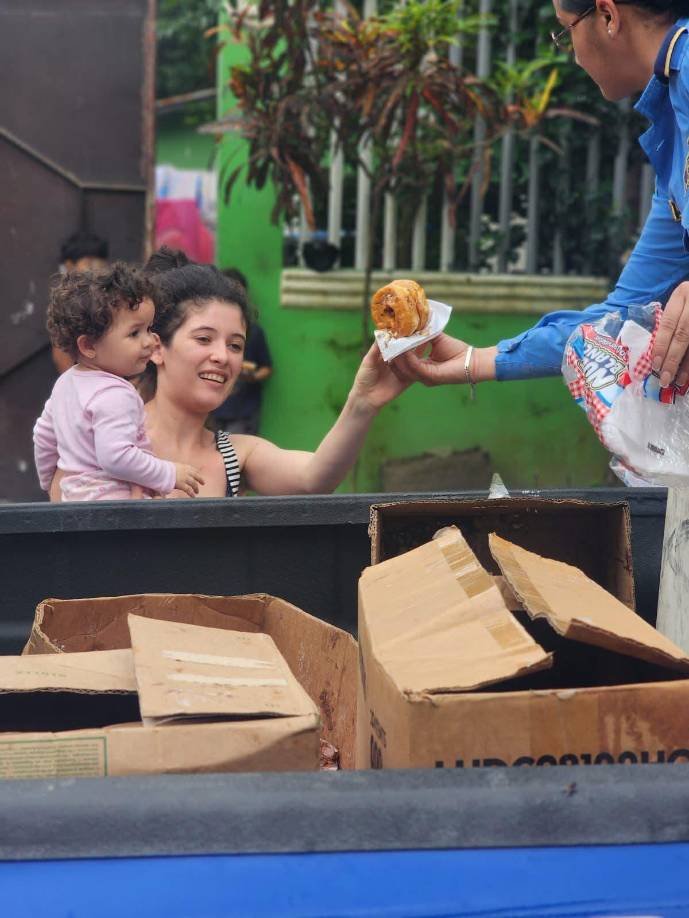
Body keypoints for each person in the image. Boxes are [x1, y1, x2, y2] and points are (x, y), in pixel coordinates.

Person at [392, 0, 689, 396]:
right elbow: (619, 316)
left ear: (608, 16)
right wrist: (477, 360)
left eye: (566, 32)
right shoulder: (672, 135)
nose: (575, 57)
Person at [104, 246, 406, 500]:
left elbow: (314, 478)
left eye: (235, 345)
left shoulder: (236, 456)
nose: (223, 356)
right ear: (157, 348)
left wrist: (362, 403)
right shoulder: (106, 442)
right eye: (204, 339)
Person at [35, 264, 203, 502]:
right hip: (113, 508)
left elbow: (43, 436)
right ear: (89, 346)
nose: (149, 341)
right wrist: (169, 472)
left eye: (148, 328)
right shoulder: (114, 393)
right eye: (134, 333)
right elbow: (116, 457)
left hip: (73, 502)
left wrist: (49, 481)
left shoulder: (65, 384)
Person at [212, 269, 273, 435]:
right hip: (213, 411)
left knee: (236, 459)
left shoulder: (254, 332)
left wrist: (251, 375)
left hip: (243, 412)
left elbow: (266, 368)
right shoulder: (207, 331)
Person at [52, 231, 110, 375]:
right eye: (89, 263)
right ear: (69, 265)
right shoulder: (67, 302)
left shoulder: (107, 295)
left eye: (101, 263)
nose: (96, 269)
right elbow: (62, 353)